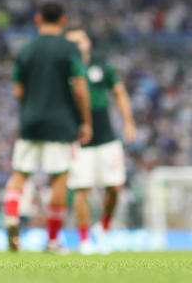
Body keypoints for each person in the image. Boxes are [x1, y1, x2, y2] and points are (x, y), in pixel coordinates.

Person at [2, 2, 91, 253]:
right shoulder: (69, 48)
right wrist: (84, 121)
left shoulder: (26, 49)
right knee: (59, 178)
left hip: (30, 119)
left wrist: (30, 106)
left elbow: (17, 89)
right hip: (61, 121)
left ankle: (11, 226)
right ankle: (52, 240)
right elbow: (80, 87)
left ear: (37, 18)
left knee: (19, 174)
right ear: (63, 20)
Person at [65, 27, 137, 254]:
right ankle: (84, 238)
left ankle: (103, 229)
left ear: (88, 42)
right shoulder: (63, 70)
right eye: (73, 42)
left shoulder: (102, 66)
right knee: (81, 188)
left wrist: (129, 122)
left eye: (81, 40)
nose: (78, 45)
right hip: (78, 137)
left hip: (106, 135)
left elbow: (119, 93)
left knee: (115, 186)